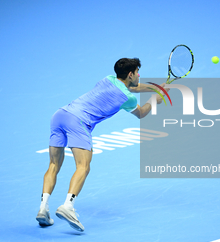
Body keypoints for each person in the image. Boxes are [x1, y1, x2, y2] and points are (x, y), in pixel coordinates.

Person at [36, 58, 168, 231]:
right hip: (79, 122)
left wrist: (156, 87)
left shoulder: (108, 79)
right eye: (137, 72)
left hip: (60, 115)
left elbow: (133, 86)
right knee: (83, 166)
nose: (139, 75)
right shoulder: (127, 98)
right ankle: (68, 206)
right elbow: (141, 112)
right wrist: (154, 100)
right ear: (131, 74)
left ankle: (43, 208)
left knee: (53, 165)